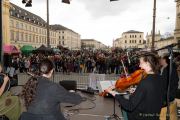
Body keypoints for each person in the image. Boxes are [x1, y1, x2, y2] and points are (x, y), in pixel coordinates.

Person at [105, 53, 164, 120]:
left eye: (141, 63)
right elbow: (152, 94)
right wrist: (137, 91)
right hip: (155, 115)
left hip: (142, 117)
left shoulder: (145, 82)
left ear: (147, 63)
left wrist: (113, 93)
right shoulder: (160, 78)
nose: (139, 66)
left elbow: (130, 106)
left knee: (124, 106)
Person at [159, 54, 179, 120]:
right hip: (169, 94)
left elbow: (163, 84)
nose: (160, 60)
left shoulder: (168, 70)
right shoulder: (166, 68)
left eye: (161, 59)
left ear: (165, 60)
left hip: (168, 95)